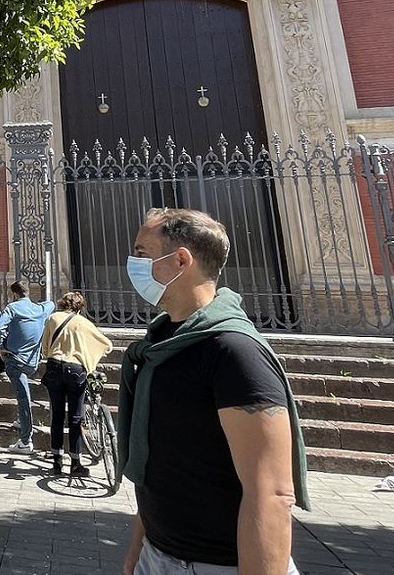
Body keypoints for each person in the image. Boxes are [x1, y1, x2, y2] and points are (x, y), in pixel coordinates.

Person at [118, 208, 306, 575]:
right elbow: (160, 461)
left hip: (217, 565)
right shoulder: (163, 344)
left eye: (141, 252)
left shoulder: (235, 353)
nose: (132, 263)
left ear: (180, 260)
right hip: (158, 555)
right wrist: (140, 545)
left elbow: (271, 494)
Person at [40, 291, 113, 477]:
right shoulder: (84, 323)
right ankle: (75, 463)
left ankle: (57, 462)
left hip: (54, 366)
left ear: (62, 303)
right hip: (76, 370)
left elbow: (45, 348)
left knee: (57, 416)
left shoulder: (52, 318)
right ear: (80, 306)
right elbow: (106, 344)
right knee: (75, 417)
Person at [0, 281, 57, 454]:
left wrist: (0, 347)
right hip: (33, 362)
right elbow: (52, 304)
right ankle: (20, 420)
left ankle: (25, 441)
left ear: (15, 294)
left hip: (15, 361)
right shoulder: (40, 309)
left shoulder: (12, 308)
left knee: (24, 399)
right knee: (22, 395)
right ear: (28, 292)